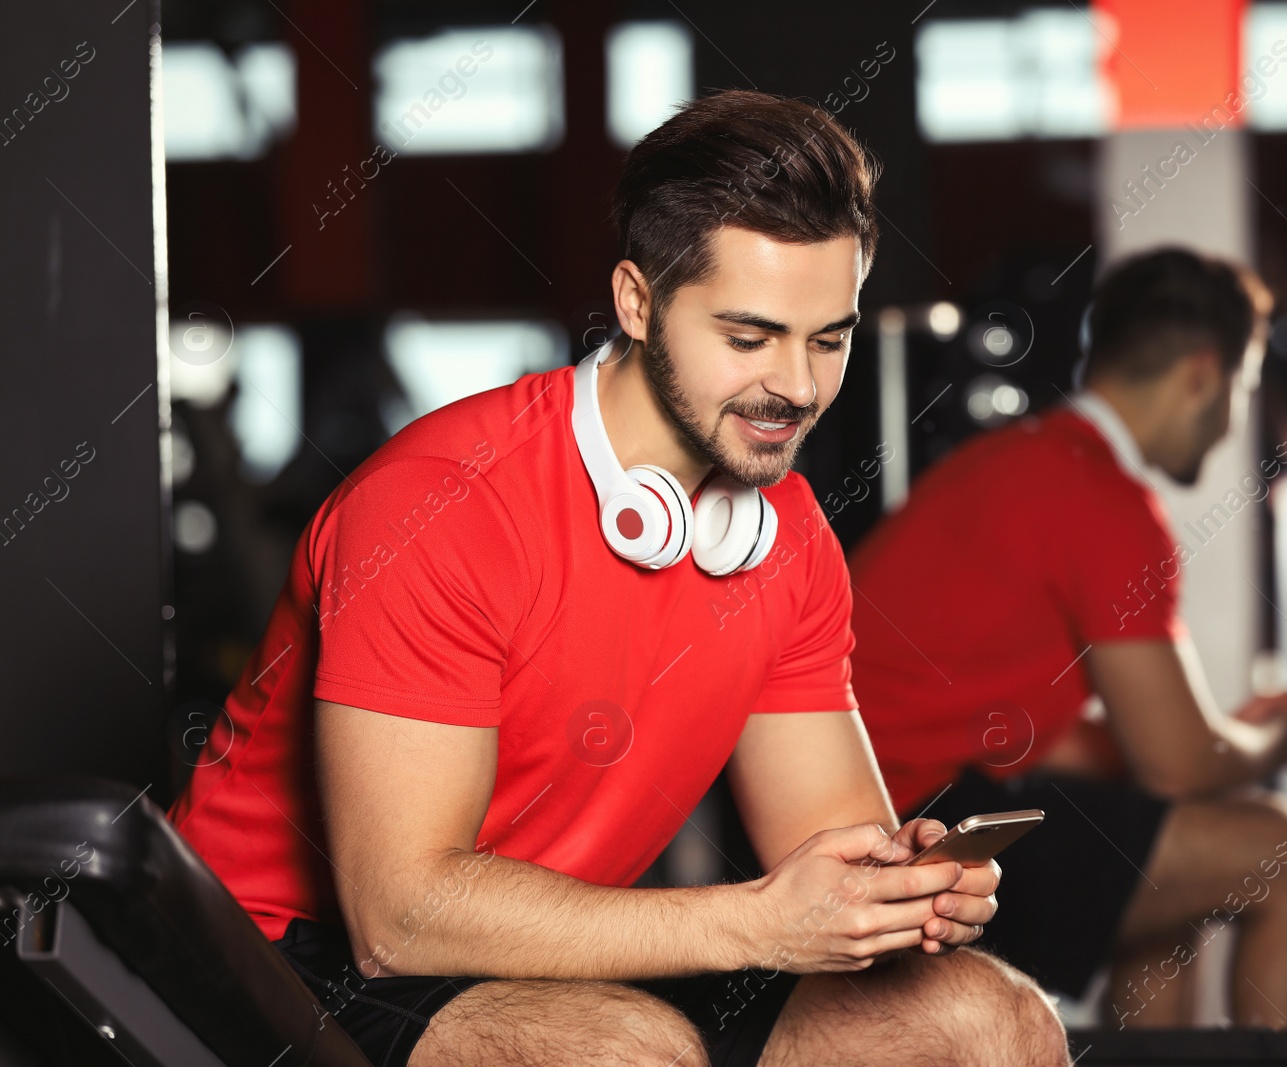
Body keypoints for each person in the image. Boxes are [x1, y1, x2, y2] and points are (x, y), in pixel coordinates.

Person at [165, 90, 1067, 1067]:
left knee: (987, 1019)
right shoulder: (440, 505)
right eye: (748, 336)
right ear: (637, 302)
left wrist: (895, 893)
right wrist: (756, 924)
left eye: (828, 338)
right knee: (627, 1054)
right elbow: (402, 916)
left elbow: (827, 844)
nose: (798, 387)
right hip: (280, 952)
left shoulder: (783, 535)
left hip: (552, 945)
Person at [848, 247, 1287, 1029]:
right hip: (916, 838)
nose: (1233, 420)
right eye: (1241, 389)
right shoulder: (1107, 501)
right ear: (1200, 374)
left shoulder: (1011, 462)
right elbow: (1178, 760)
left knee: (1163, 861)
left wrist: (1225, 737)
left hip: (876, 813)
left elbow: (1053, 736)